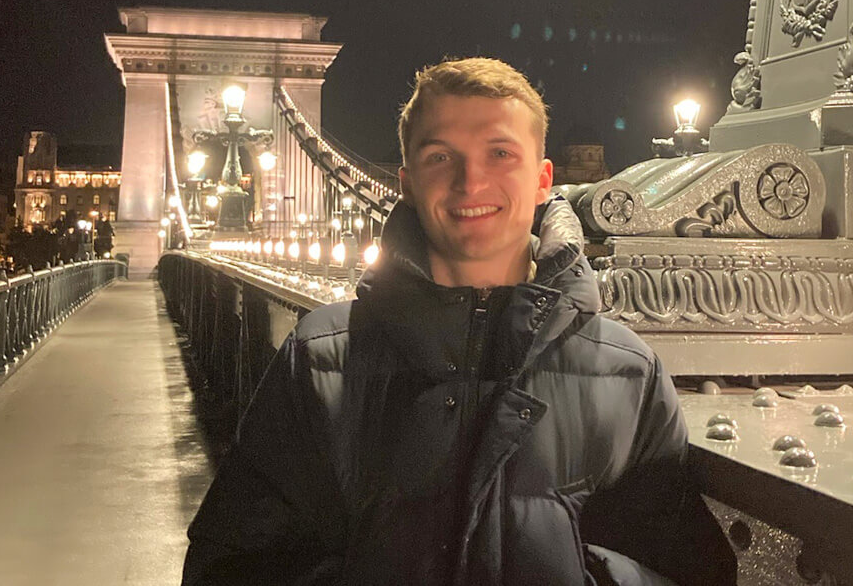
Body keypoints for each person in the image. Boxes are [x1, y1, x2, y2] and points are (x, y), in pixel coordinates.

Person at [182, 58, 736, 585]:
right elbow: (231, 568)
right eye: (441, 157)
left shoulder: (629, 372)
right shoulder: (319, 356)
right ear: (406, 182)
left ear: (545, 180)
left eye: (500, 153)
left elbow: (680, 571)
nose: (471, 182)